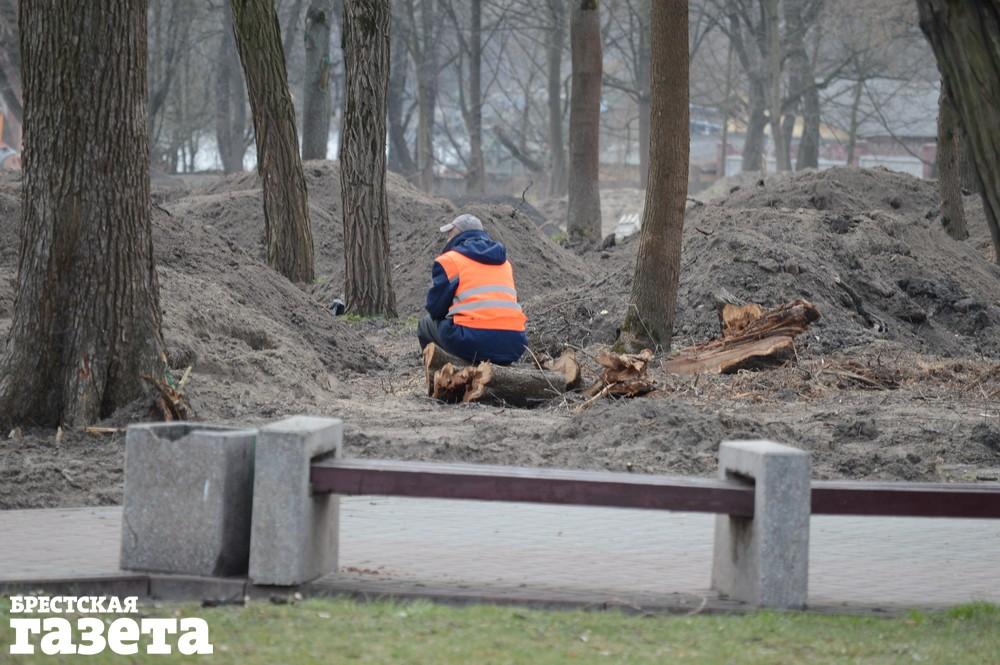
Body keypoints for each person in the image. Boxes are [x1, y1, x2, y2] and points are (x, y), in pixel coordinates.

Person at [418, 214, 528, 365]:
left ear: (456, 234)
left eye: (449, 233)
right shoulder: (505, 263)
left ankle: (440, 372)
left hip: (471, 340)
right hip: (514, 343)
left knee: (425, 324)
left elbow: (435, 309)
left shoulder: (449, 260)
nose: (447, 238)